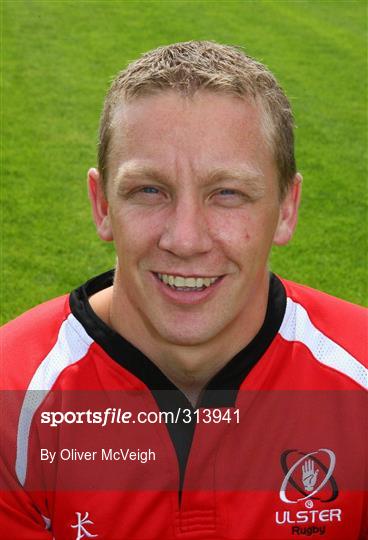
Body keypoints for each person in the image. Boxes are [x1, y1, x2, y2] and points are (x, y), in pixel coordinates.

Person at [0, 41, 367, 540]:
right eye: (149, 190)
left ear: (286, 208)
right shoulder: (12, 399)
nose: (185, 240)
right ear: (102, 204)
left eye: (228, 193)